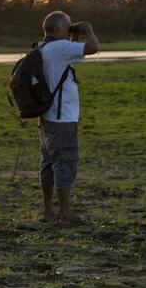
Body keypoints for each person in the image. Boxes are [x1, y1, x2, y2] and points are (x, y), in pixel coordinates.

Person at [37, 11, 99, 223]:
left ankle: (48, 211)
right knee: (65, 163)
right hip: (62, 118)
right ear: (55, 30)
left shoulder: (44, 47)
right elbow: (93, 48)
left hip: (47, 117)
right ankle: (65, 213)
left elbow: (71, 57)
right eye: (67, 26)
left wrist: (72, 34)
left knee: (48, 164)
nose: (71, 28)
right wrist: (88, 29)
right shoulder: (61, 48)